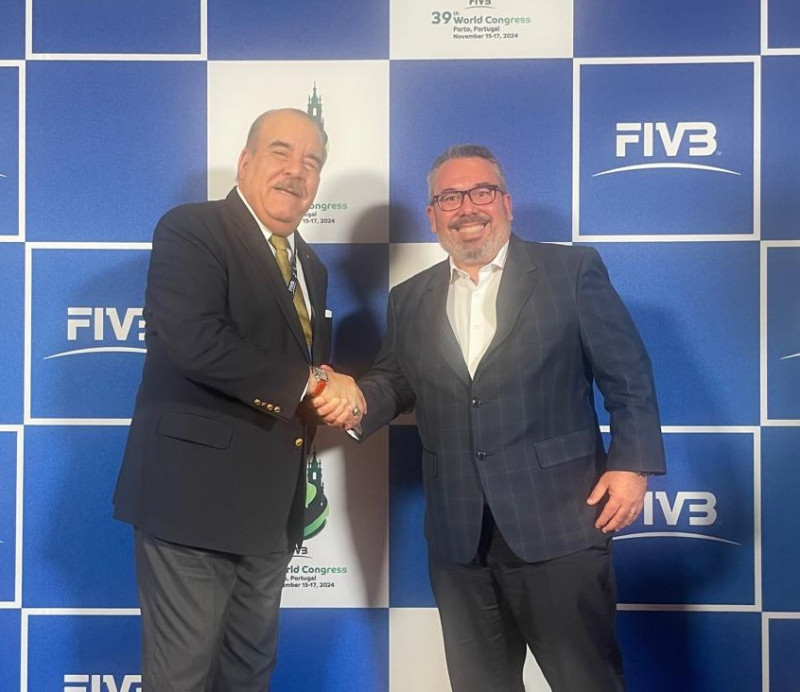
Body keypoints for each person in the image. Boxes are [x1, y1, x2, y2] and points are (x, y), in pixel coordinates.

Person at [315, 144, 665, 691]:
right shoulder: (409, 298)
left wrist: (632, 465)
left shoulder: (570, 271)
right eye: (449, 197)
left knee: (586, 681)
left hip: (560, 525)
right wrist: (356, 398)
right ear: (433, 216)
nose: (467, 207)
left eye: (481, 192)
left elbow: (628, 374)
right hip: (459, 536)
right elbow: (397, 381)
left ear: (506, 202)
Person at [113, 108, 364, 691]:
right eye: (281, 152)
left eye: (312, 162)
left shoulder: (313, 267)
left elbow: (293, 370)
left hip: (271, 515)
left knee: (249, 676)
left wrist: (333, 386)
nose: (296, 171)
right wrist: (314, 383)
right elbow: (192, 341)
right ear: (246, 161)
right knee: (182, 678)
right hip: (192, 505)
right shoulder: (193, 229)